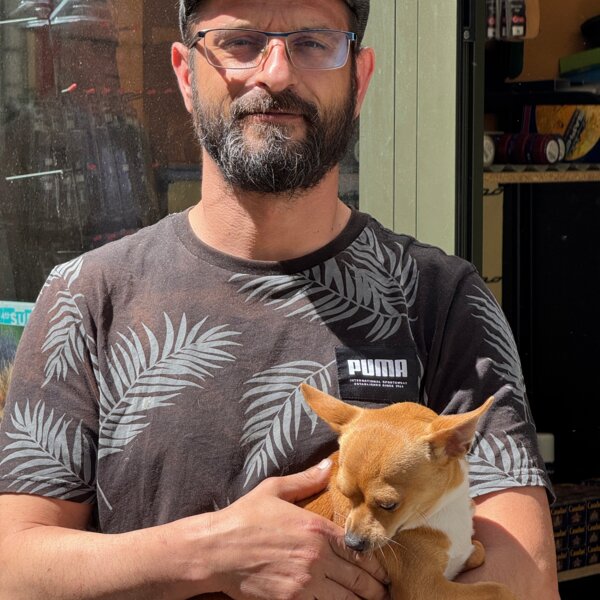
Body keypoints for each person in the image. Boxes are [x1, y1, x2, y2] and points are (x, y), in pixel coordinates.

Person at [0, 0, 560, 598]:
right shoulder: (86, 297)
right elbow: (14, 568)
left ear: (360, 77)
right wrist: (214, 553)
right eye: (239, 43)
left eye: (313, 43)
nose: (276, 72)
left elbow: (526, 577)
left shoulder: (443, 300)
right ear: (186, 74)